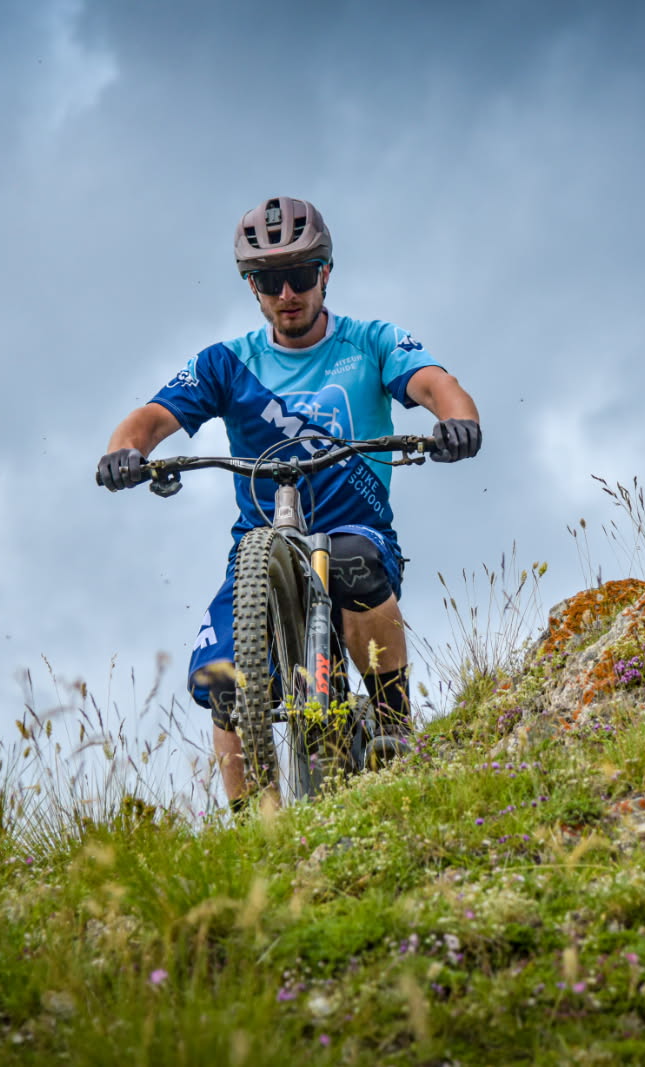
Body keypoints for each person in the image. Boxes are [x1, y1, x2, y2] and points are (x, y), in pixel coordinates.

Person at [98, 195, 482, 807]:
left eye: (300, 276)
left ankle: (392, 725)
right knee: (224, 682)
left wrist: (457, 422)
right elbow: (149, 417)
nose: (287, 294)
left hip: (356, 526)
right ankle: (254, 824)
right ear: (251, 286)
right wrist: (125, 452)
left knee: (355, 559)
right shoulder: (227, 364)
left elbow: (436, 384)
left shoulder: (371, 342)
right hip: (260, 547)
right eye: (269, 281)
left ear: (325, 273)